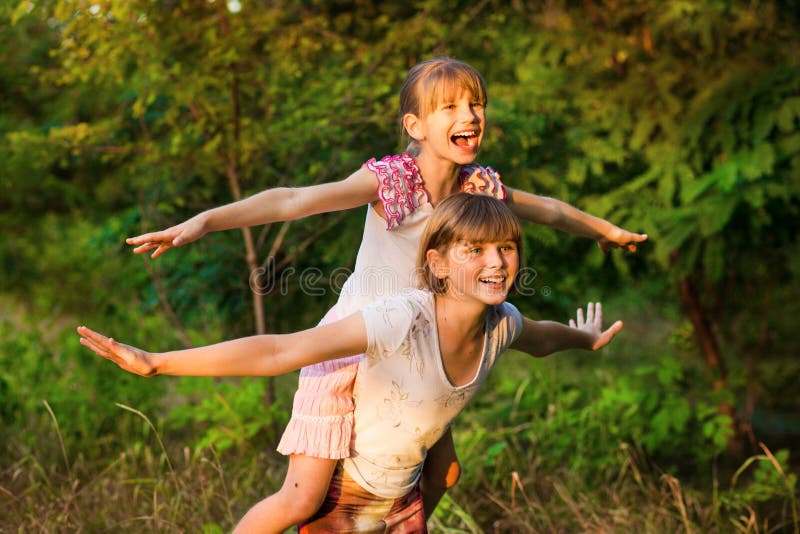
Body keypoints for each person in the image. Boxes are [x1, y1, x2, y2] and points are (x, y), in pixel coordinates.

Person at [124, 56, 645, 529]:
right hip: (354, 345)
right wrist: (204, 222)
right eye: (450, 106)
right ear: (414, 126)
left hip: (418, 348)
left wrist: (605, 230)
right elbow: (293, 201)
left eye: (476, 103)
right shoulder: (394, 180)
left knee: (446, 473)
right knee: (301, 501)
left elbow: (547, 209)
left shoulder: (477, 189)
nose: (470, 114)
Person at [80, 194, 624, 532]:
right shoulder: (402, 317)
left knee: (446, 469)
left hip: (400, 484)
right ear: (435, 264)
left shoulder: (502, 322)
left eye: (506, 248)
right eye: (475, 250)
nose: (496, 261)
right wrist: (157, 363)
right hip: (347, 490)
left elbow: (545, 338)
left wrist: (586, 339)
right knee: (298, 499)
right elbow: (280, 350)